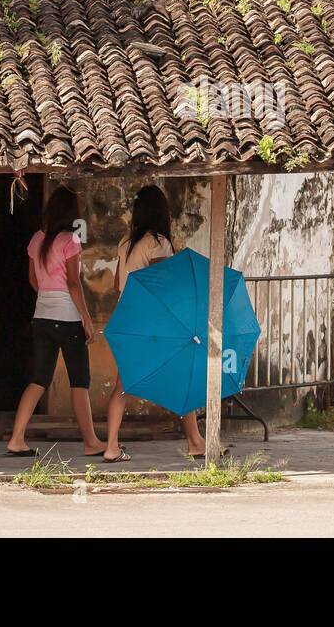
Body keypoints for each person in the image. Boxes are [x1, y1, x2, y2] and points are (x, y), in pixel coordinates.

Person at [101, 185, 206, 463]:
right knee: (182, 374)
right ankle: (195, 442)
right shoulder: (158, 242)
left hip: (128, 316)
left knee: (124, 383)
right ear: (162, 212)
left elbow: (116, 284)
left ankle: (112, 445)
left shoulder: (126, 242)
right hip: (153, 321)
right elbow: (165, 283)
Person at [6, 186, 106, 458]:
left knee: (38, 379)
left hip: (41, 317)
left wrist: (48, 299)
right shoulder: (70, 241)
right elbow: (73, 284)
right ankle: (91, 442)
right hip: (68, 318)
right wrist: (86, 318)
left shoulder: (37, 239)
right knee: (79, 381)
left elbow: (33, 280)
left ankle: (17, 438)